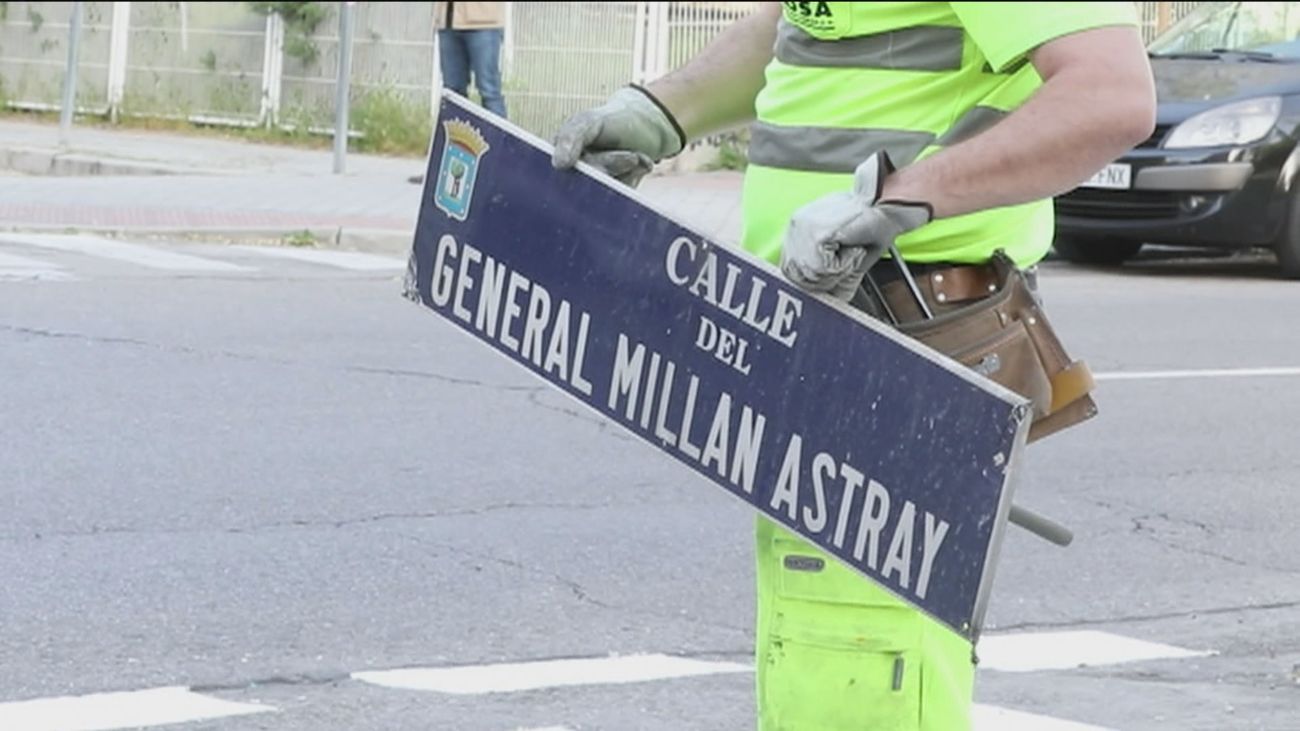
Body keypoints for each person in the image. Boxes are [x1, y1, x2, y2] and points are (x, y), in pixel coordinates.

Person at [551, 3, 1155, 730]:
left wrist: (898, 199)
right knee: (820, 650)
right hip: (824, 326)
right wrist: (662, 112)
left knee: (864, 660)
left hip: (907, 338)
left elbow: (1109, 95)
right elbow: (810, 21)